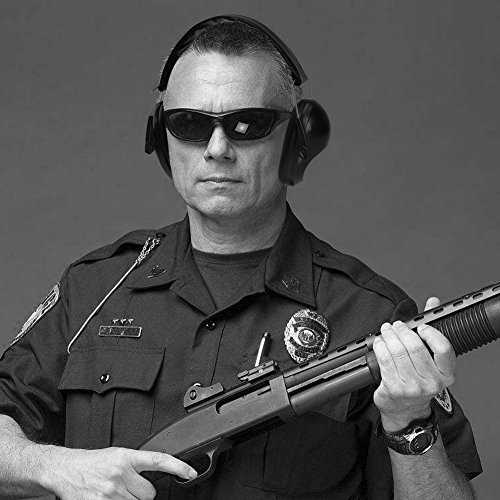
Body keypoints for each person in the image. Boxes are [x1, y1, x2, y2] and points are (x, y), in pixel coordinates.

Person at [0, 15, 482, 500]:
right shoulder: (96, 288)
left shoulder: (372, 315)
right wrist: (58, 467)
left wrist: (409, 424)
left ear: (296, 141)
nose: (216, 149)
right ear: (161, 140)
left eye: (247, 125)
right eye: (189, 124)